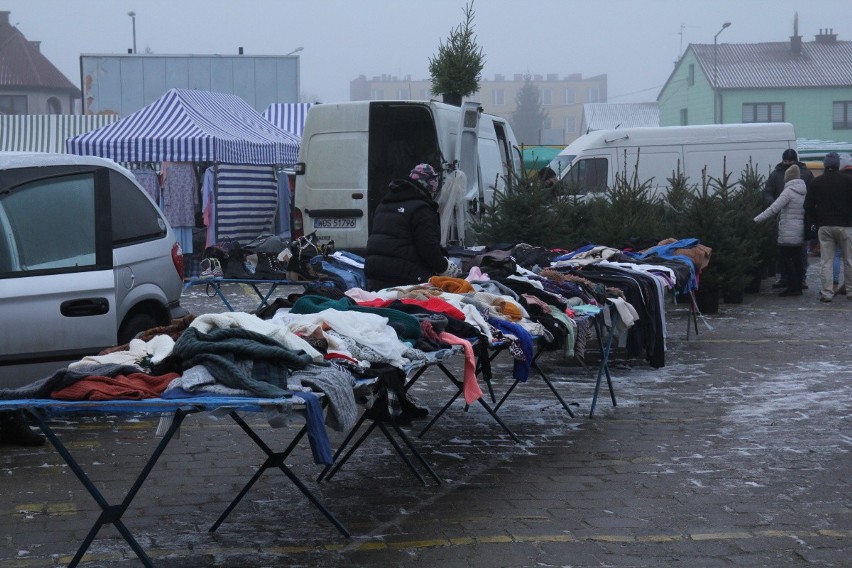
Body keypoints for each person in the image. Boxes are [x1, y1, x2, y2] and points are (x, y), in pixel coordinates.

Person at [365, 163, 461, 290]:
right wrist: (445, 268)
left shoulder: (384, 204)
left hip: (375, 276)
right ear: (429, 186)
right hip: (405, 279)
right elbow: (428, 248)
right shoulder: (421, 209)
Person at [803, 152, 852, 303]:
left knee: (827, 260)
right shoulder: (849, 181)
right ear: (838, 165)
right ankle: (851, 291)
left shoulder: (817, 182)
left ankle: (827, 292)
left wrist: (815, 221)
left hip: (824, 226)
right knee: (849, 260)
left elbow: (808, 205)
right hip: (846, 225)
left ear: (825, 165)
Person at [763, 149, 814, 290]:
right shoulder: (776, 174)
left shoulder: (805, 173)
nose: (787, 164)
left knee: (800, 251)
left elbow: (812, 193)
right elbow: (767, 191)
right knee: (784, 251)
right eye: (785, 161)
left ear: (795, 161)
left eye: (790, 162)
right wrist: (774, 203)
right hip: (783, 217)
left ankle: (800, 278)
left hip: (800, 217)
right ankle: (785, 278)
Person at [754, 164, 807, 296]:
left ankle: (792, 287)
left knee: (786, 259)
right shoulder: (803, 191)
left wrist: (756, 219)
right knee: (797, 260)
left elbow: (773, 208)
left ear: (787, 178)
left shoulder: (788, 191)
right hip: (800, 231)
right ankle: (798, 287)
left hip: (788, 232)